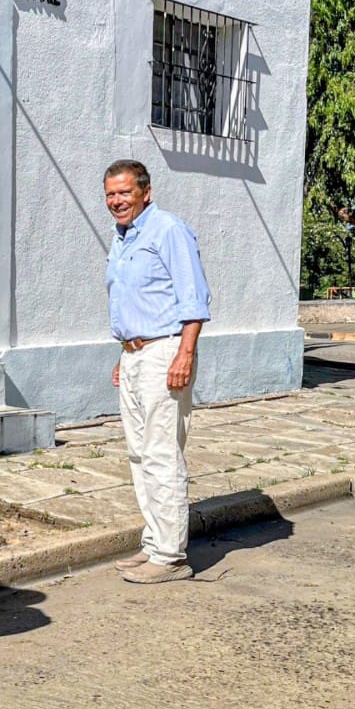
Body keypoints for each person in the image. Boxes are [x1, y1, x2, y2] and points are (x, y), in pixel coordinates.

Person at [104, 159, 211, 584]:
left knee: (162, 451)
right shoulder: (123, 237)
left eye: (124, 193)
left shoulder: (168, 230)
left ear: (145, 192)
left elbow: (194, 299)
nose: (117, 201)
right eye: (111, 194)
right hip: (135, 354)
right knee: (139, 452)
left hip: (166, 352)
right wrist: (125, 352)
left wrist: (184, 354)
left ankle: (171, 556)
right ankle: (154, 542)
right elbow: (134, 301)